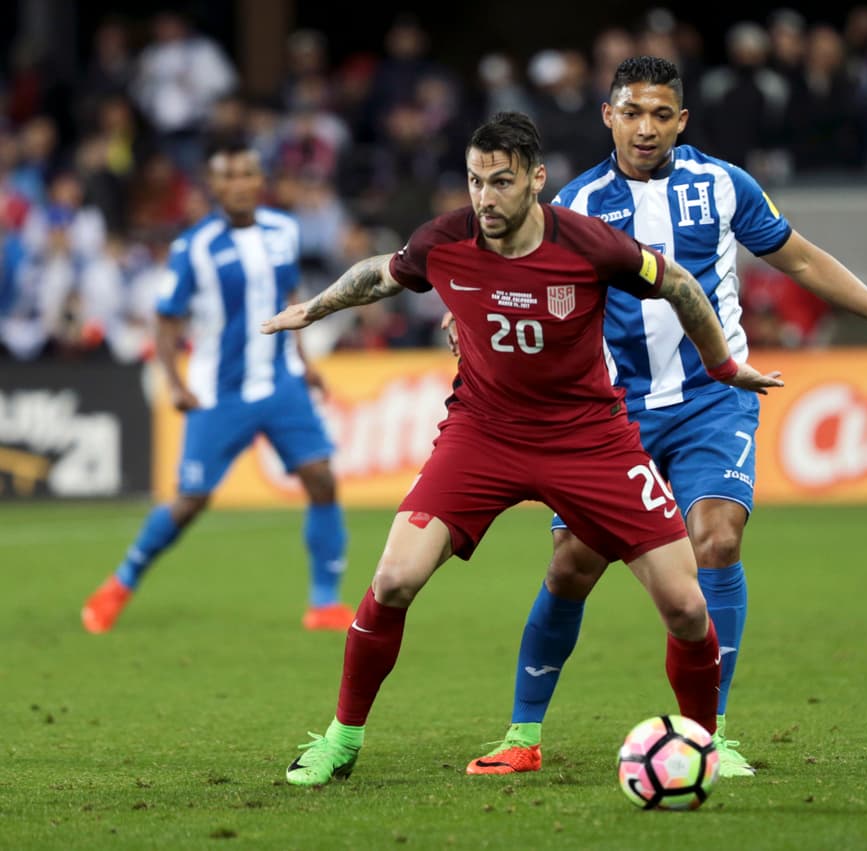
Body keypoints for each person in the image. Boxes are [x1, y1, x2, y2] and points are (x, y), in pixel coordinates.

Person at [456, 56, 867, 779]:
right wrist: (463, 318)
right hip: (612, 414)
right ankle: (522, 732)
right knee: (572, 564)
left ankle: (705, 732)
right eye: (632, 112)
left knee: (716, 538)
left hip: (713, 398)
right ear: (608, 116)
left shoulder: (723, 184)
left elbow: (802, 260)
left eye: (661, 114)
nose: (646, 127)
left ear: (681, 120)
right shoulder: (576, 204)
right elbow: (513, 272)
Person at [270, 111, 784, 787]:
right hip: (483, 434)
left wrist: (720, 366)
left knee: (687, 606)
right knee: (393, 578)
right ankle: (340, 737)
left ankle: (703, 744)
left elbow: (681, 286)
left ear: (536, 181)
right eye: (476, 181)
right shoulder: (445, 240)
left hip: (589, 438)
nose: (485, 197)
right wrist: (314, 308)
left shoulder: (590, 243)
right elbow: (382, 274)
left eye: (501, 182)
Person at [80, 141, 352, 634]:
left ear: (258, 180)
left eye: (248, 173)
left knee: (322, 478)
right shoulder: (194, 247)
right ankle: (120, 583)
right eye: (229, 176)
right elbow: (165, 324)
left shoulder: (282, 231)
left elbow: (290, 296)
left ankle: (324, 602)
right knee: (190, 500)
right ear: (215, 187)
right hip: (219, 392)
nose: (240, 183)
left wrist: (304, 360)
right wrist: (174, 383)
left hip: (281, 382)